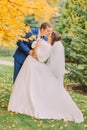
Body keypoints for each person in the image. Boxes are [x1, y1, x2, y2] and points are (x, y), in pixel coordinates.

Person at [8, 31, 84, 123]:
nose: (48, 36)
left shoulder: (48, 48)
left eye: (50, 35)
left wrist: (37, 46)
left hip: (33, 65)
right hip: (30, 65)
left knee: (29, 86)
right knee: (26, 86)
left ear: (52, 38)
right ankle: (21, 103)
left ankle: (24, 104)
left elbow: (37, 56)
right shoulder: (48, 45)